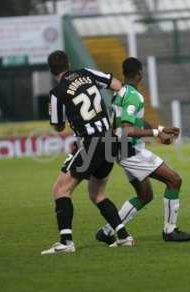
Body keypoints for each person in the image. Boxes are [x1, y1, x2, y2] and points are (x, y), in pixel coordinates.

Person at [41, 50, 134, 254]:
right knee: (97, 193)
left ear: (51, 70)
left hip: (91, 143)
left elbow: (57, 126)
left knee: (60, 190)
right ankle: (124, 237)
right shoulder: (86, 73)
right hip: (110, 140)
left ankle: (66, 242)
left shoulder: (57, 92)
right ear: (69, 63)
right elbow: (118, 86)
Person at [96, 57, 190, 245]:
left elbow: (134, 122)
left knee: (145, 196)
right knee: (174, 180)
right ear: (140, 74)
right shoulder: (134, 96)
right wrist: (157, 132)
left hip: (120, 150)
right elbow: (127, 130)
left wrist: (160, 131)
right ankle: (170, 231)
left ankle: (107, 231)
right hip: (130, 150)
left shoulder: (120, 93)